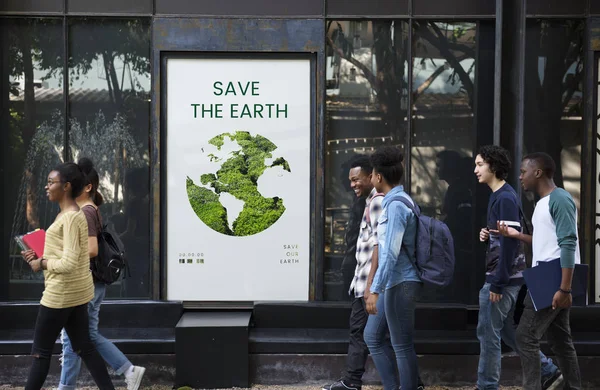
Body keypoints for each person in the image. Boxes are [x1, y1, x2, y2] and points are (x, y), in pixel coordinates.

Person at [474, 146, 561, 390]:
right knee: (503, 331)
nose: (475, 170)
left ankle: (487, 386)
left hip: (502, 279)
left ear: (493, 166)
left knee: (487, 335)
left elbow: (511, 244)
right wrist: (487, 233)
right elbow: (504, 236)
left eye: (480, 164)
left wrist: (498, 282)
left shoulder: (504, 197)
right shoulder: (501, 195)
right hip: (505, 277)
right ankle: (549, 371)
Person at [21, 162, 115, 390]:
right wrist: (40, 253)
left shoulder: (72, 217)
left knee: (40, 354)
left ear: (66, 186)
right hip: (75, 294)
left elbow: (71, 262)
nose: (46, 186)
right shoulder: (69, 214)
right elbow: (69, 253)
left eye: (51, 182)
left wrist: (41, 263)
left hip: (60, 295)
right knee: (85, 347)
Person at [57, 158, 146, 390]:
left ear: (87, 187)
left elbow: (93, 249)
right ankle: (129, 369)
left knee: (71, 339)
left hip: (86, 283)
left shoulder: (86, 212)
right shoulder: (91, 209)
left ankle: (65, 387)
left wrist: (62, 255)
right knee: (88, 335)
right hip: (94, 283)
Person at [496, 152, 582, 390]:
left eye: (524, 172)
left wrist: (564, 288)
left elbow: (568, 243)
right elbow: (546, 240)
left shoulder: (560, 199)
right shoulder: (543, 203)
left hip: (552, 276)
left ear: (538, 172)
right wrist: (516, 235)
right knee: (561, 341)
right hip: (548, 275)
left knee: (525, 336)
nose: (520, 177)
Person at [364, 146, 423, 390]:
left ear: (379, 177)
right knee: (373, 336)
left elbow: (389, 254)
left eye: (372, 174)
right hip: (395, 281)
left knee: (401, 344)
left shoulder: (396, 206)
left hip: (400, 282)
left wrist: (374, 289)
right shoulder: (398, 201)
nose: (371, 179)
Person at [322, 155, 383, 390]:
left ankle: (352, 381)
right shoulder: (365, 203)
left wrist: (370, 287)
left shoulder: (376, 203)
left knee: (365, 333)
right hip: (364, 282)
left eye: (357, 179)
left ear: (372, 176)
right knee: (377, 335)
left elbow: (379, 246)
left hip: (370, 284)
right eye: (350, 181)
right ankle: (353, 380)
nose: (353, 184)